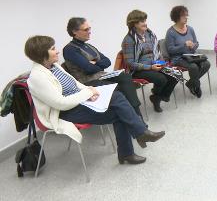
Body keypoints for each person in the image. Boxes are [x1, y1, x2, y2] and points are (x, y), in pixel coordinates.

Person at [25, 35, 166, 165]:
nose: (57, 51)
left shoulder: (53, 66)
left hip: (79, 101)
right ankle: (137, 138)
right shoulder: (37, 77)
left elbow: (75, 83)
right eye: (52, 49)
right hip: (65, 112)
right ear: (42, 54)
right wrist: (87, 93)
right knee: (118, 104)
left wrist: (88, 91)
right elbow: (60, 103)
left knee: (119, 107)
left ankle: (131, 147)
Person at [62, 17, 144, 121]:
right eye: (86, 29)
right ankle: (136, 120)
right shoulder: (70, 49)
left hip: (101, 76)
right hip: (88, 82)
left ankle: (137, 115)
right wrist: (96, 64)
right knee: (122, 87)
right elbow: (88, 69)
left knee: (125, 77)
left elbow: (107, 61)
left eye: (89, 28)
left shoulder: (88, 46)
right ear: (74, 32)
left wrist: (95, 62)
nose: (89, 32)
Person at [121, 10, 177, 113]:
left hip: (154, 64)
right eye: (141, 21)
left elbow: (156, 52)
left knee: (174, 74)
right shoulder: (128, 40)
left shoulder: (149, 35)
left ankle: (157, 97)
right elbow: (130, 64)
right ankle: (157, 97)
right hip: (139, 69)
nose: (145, 23)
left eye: (145, 20)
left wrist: (162, 62)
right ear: (134, 24)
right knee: (161, 79)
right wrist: (150, 67)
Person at [165, 5, 211, 98]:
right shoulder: (171, 32)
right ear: (176, 17)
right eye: (183, 16)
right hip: (178, 58)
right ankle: (196, 86)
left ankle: (191, 84)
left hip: (191, 55)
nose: (186, 17)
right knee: (193, 67)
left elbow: (196, 43)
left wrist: (194, 45)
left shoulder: (190, 29)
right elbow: (170, 50)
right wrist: (184, 45)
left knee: (207, 64)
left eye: (186, 15)